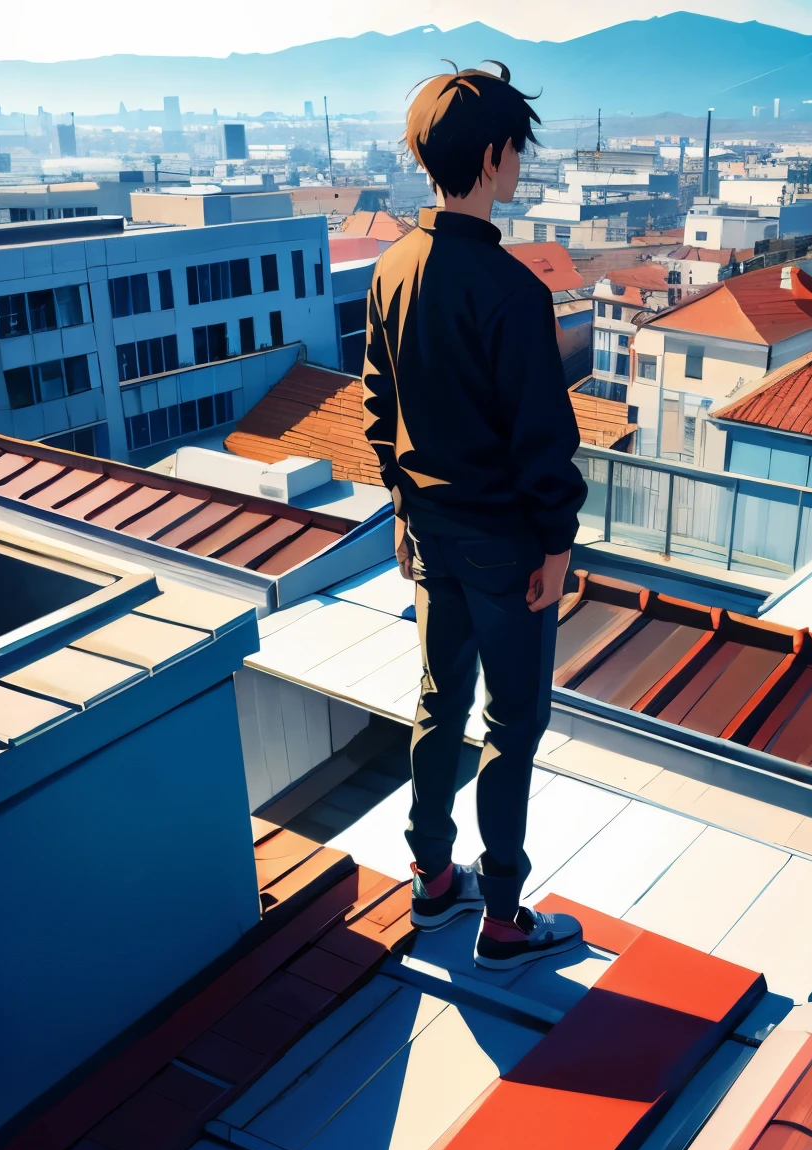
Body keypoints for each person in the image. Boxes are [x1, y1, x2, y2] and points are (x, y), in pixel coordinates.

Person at [362, 62, 588, 969]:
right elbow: (542, 441)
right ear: (494, 155)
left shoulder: (391, 269)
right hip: (505, 541)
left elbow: (379, 407)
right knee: (511, 725)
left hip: (430, 531)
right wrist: (558, 543)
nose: (520, 167)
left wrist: (401, 509)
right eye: (517, 152)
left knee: (436, 703)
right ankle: (502, 920)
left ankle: (432, 880)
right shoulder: (513, 292)